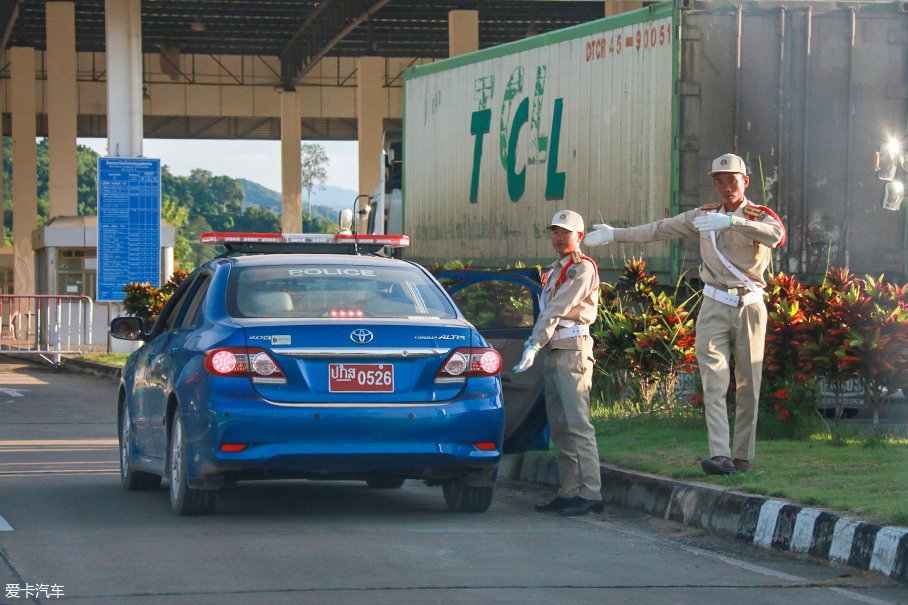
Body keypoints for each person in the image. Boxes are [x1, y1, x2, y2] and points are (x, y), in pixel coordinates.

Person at [584, 154, 785, 475]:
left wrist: (732, 222)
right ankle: (719, 454)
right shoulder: (704, 215)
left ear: (745, 182)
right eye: (719, 181)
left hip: (749, 305)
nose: (726, 187)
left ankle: (742, 456)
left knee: (749, 384)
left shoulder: (759, 215)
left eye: (732, 180)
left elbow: (777, 235)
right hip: (714, 304)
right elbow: (660, 229)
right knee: (714, 382)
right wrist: (615, 234)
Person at [514, 209, 603, 515]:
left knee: (578, 425)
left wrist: (533, 343)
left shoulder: (582, 268)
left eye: (566, 232)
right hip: (555, 349)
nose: (559, 237)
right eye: (555, 232)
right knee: (560, 427)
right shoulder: (555, 270)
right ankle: (569, 491)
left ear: (580, 236)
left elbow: (556, 309)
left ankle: (591, 493)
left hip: (572, 350)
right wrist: (540, 344)